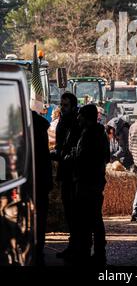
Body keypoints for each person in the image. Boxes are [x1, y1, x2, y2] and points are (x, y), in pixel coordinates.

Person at [72, 104, 110, 265]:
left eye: (80, 115)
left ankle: (89, 251)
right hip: (96, 180)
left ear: (86, 118)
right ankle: (98, 251)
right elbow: (106, 157)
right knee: (95, 218)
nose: (78, 118)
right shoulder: (100, 133)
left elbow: (82, 158)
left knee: (88, 218)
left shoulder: (89, 135)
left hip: (88, 181)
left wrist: (70, 156)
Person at [54, 92, 80, 260]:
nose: (62, 108)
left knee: (74, 212)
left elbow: (72, 148)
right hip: (65, 170)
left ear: (73, 106)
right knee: (69, 211)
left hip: (73, 173)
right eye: (61, 105)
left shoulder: (75, 123)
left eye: (65, 105)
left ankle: (76, 246)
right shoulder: (63, 121)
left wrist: (61, 154)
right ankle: (74, 245)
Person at [32, 111, 53, 266]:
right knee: (41, 215)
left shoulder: (29, 128)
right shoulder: (41, 128)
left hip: (33, 179)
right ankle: (39, 247)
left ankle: (35, 248)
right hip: (43, 179)